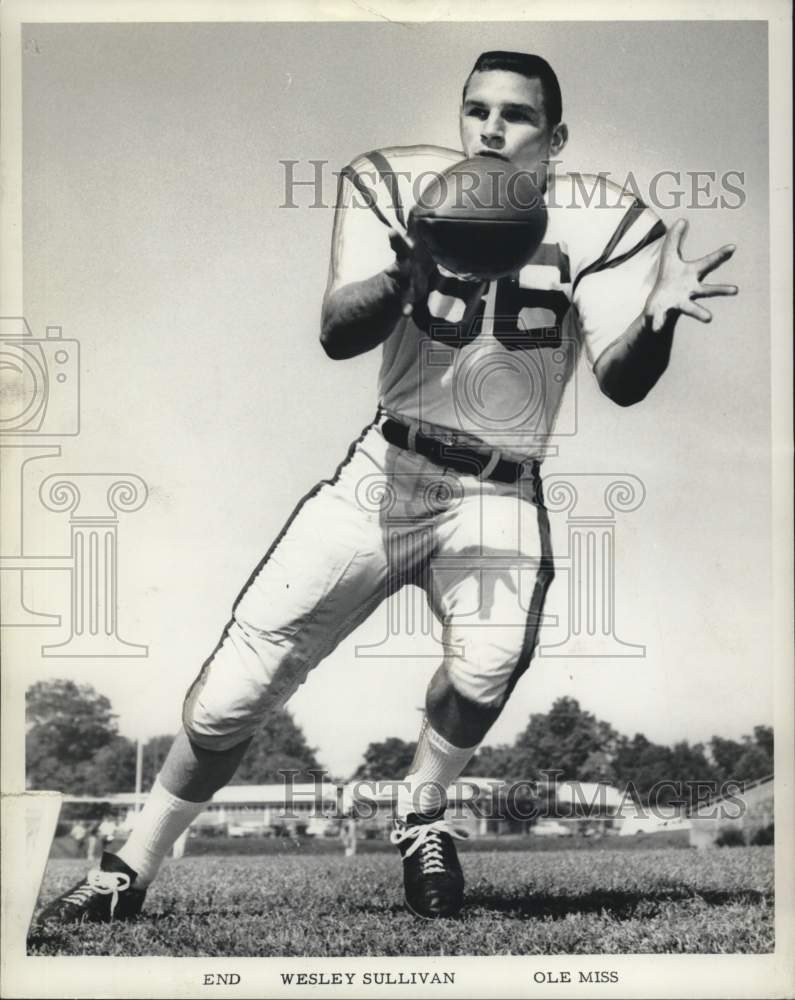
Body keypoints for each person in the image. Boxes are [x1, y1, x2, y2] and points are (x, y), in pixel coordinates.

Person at [38, 50, 736, 924]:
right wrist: (399, 277)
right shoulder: (398, 186)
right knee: (230, 699)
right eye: (474, 108)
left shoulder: (602, 221)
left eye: (515, 115)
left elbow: (624, 381)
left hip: (500, 487)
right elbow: (336, 332)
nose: (489, 127)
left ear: (554, 138)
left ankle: (421, 809)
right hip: (385, 471)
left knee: (486, 670)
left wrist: (659, 317)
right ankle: (128, 866)